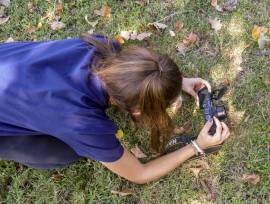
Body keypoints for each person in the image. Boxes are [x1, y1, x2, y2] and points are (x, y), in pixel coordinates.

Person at [0, 34, 230, 184]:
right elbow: (140, 174)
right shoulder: (84, 124)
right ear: (138, 111)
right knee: (63, 153)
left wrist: (175, 81)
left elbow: (138, 73)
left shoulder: (101, 46)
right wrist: (197, 146)